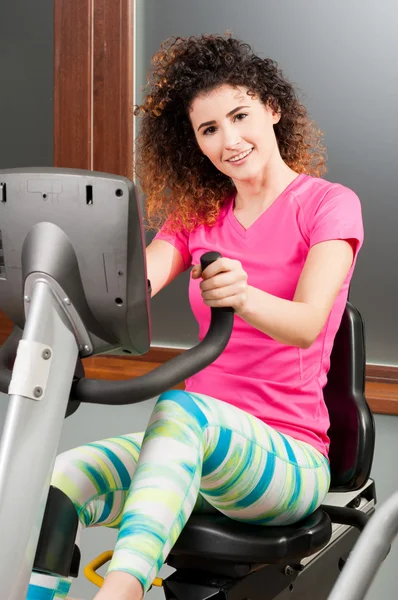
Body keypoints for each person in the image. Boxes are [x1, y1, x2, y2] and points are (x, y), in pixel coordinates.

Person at [27, 33, 363, 600]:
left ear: (272, 108)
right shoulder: (198, 214)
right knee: (61, 478)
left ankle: (121, 592)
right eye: (209, 129)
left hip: (288, 459)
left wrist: (245, 295)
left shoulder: (328, 204)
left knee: (183, 410)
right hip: (190, 444)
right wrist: (59, 286)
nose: (229, 140)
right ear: (195, 143)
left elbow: (308, 321)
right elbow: (134, 288)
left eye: (240, 115)